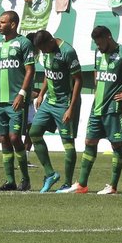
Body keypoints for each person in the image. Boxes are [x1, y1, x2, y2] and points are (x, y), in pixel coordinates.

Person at [72, 25, 122, 195]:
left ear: (109, 37)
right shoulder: (98, 53)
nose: (98, 47)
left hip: (113, 108)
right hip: (97, 107)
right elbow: (97, 76)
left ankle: (112, 186)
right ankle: (82, 184)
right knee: (89, 142)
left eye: (100, 43)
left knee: (116, 145)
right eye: (96, 44)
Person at [0, 10, 35, 191]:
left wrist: (22, 93)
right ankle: (10, 180)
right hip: (0, 100)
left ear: (13, 24)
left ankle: (25, 179)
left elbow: (30, 70)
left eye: (2, 22)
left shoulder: (24, 43)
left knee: (14, 137)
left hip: (16, 100)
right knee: (4, 138)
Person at [28, 29, 82, 193]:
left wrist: (71, 108)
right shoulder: (46, 51)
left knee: (68, 144)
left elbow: (78, 80)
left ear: (51, 41)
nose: (43, 52)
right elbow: (48, 72)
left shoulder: (68, 52)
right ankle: (50, 174)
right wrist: (41, 94)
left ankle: (67, 183)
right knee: (34, 133)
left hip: (65, 103)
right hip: (49, 102)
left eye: (44, 48)